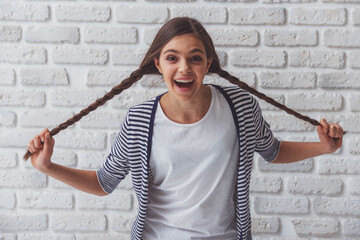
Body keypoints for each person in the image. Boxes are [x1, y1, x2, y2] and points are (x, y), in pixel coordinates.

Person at [27, 17, 343, 240]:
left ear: (208, 63)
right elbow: (104, 182)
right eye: (172, 58)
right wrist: (48, 167)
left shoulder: (239, 107)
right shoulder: (139, 120)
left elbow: (272, 151)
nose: (184, 68)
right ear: (158, 65)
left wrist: (323, 148)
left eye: (195, 58)